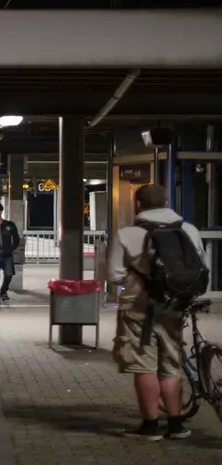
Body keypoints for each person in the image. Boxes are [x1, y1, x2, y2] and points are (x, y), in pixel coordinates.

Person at [109, 184, 206, 441]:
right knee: (170, 366)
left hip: (138, 308)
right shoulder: (189, 229)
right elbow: (200, 266)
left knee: (144, 367)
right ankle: (176, 425)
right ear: (167, 201)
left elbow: (113, 274)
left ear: (138, 204)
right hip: (174, 306)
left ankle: (150, 426)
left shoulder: (127, 233)